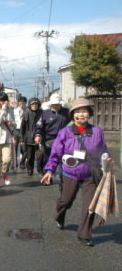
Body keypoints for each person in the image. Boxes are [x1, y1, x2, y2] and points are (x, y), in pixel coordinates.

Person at [40, 98, 113, 247]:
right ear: (73, 115)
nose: (81, 115)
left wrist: (107, 162)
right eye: (78, 112)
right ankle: (61, 214)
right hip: (70, 172)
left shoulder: (97, 131)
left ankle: (84, 233)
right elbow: (55, 154)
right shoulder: (65, 132)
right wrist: (49, 170)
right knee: (66, 201)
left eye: (84, 112)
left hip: (90, 173)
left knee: (90, 206)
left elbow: (103, 151)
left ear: (89, 114)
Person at [34, 93, 70, 180]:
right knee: (48, 158)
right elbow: (39, 126)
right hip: (49, 139)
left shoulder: (66, 112)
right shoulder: (45, 113)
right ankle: (48, 177)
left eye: (57, 104)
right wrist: (38, 135)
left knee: (63, 159)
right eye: (54, 104)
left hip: (63, 139)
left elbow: (72, 124)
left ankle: (63, 178)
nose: (56, 106)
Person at [0, 92, 15, 189]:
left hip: (7, 138)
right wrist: (3, 110)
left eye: (2, 100)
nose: (0, 102)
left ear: (6, 101)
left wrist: (13, 124)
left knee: (7, 159)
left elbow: (15, 124)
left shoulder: (11, 110)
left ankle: (5, 173)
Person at [20, 97, 43, 176]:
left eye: (36, 104)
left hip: (39, 137)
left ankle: (40, 169)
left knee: (40, 155)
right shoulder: (26, 113)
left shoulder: (42, 113)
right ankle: (30, 169)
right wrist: (22, 138)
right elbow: (22, 126)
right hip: (28, 137)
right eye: (33, 104)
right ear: (30, 105)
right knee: (29, 155)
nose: (34, 106)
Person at [13, 96, 29, 169]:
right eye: (20, 103)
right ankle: (14, 163)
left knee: (24, 148)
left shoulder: (28, 111)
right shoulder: (14, 111)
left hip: (25, 131)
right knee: (14, 147)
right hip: (16, 130)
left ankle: (22, 162)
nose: (21, 105)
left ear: (26, 103)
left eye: (23, 103)